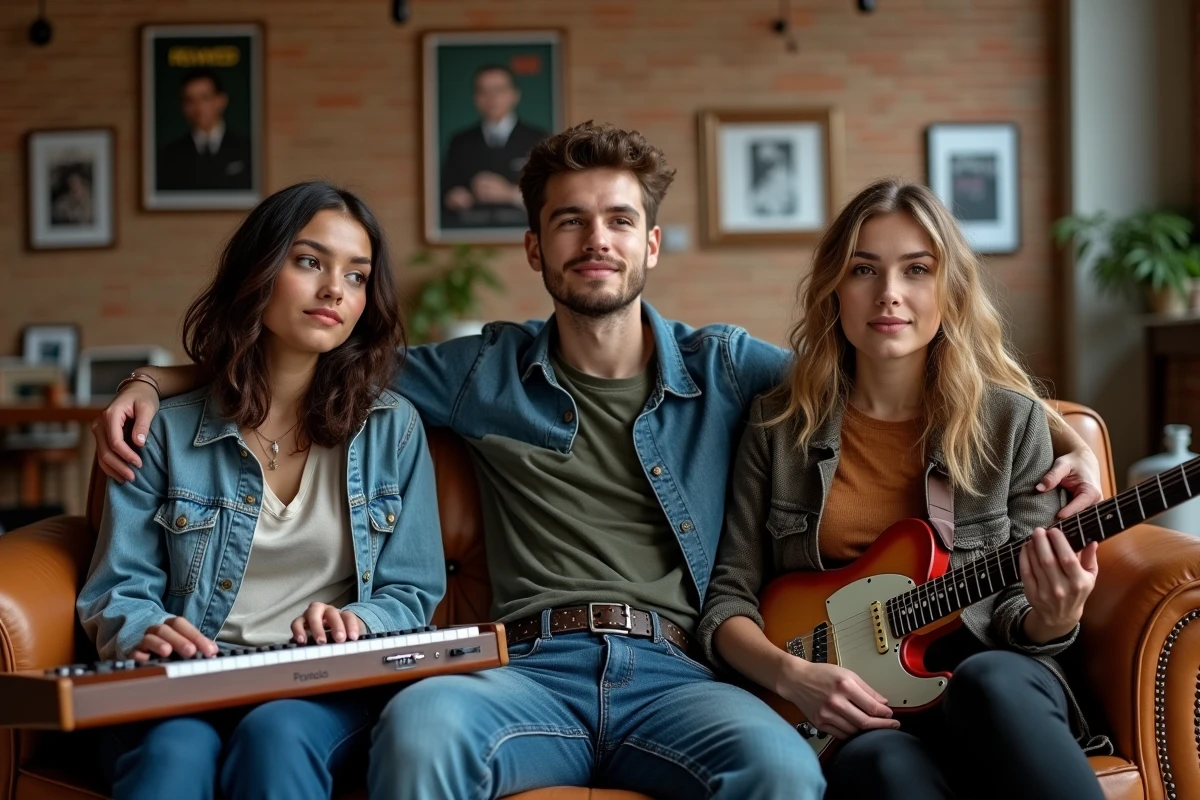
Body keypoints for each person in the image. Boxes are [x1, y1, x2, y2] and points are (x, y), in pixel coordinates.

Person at [91, 123, 1103, 800]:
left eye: (618, 219)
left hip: (682, 669)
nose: (596, 240)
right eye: (570, 221)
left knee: (782, 771)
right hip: (523, 664)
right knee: (419, 728)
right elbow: (318, 347)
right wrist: (158, 380)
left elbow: (889, 354)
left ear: (651, 243)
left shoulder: (729, 368)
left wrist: (1070, 433)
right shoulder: (479, 370)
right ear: (535, 249)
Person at [698, 178, 1107, 800]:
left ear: (950, 290)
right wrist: (794, 676)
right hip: (860, 711)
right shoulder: (778, 426)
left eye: (917, 269)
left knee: (991, 681)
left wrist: (1054, 619)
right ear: (835, 286)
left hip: (994, 678)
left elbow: (1021, 612)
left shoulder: (1010, 422)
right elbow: (729, 597)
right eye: (865, 269)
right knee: (886, 768)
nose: (889, 294)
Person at [76, 181, 445, 800]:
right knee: (175, 749)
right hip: (191, 680)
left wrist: (354, 622)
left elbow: (412, 591)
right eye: (309, 262)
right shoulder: (162, 429)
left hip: (321, 687)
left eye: (357, 276)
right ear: (259, 270)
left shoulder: (392, 428)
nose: (335, 289)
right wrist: (147, 630)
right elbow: (120, 586)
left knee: (277, 734)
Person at [440, 64, 549, 229]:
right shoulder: (460, 141)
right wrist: (456, 196)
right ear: (475, 98)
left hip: (523, 230)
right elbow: (446, 190)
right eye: (483, 91)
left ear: (514, 95)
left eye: (499, 90)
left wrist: (509, 194)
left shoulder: (540, 139)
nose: (492, 98)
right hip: (470, 229)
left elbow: (551, 194)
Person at [157, 68, 253, 192]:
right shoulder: (168, 155)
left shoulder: (247, 149)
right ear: (183, 107)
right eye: (190, 100)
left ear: (221, 100)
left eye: (205, 98)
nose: (198, 108)